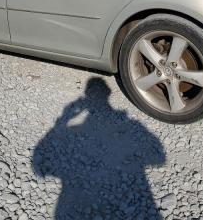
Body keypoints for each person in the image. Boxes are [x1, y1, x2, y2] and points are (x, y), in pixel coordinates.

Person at [33, 77, 166, 219]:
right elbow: (159, 158)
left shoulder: (75, 129)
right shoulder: (131, 125)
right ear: (109, 93)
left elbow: (40, 168)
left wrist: (63, 121)